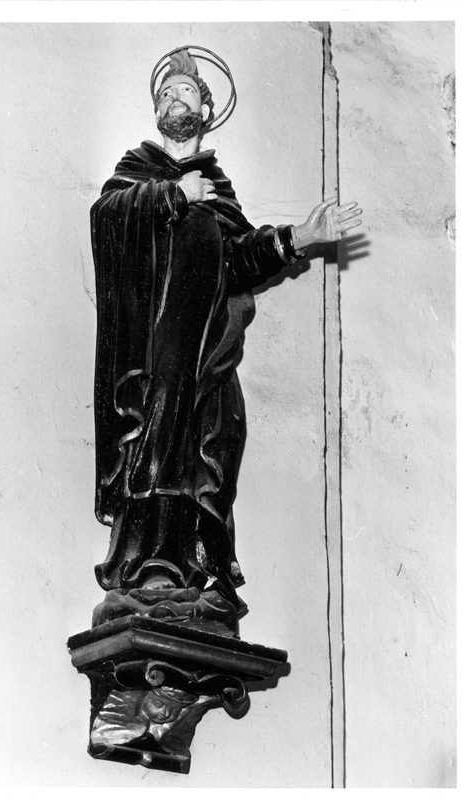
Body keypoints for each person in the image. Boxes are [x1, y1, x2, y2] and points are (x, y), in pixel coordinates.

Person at [90, 48, 362, 617]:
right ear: (157, 112)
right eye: (166, 93)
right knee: (158, 433)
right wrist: (174, 195)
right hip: (152, 346)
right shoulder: (137, 169)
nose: (174, 98)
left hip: (208, 347)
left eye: (185, 91)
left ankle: (202, 570)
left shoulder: (217, 187)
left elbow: (237, 260)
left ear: (206, 110)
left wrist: (298, 238)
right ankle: (150, 568)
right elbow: (106, 218)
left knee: (216, 437)